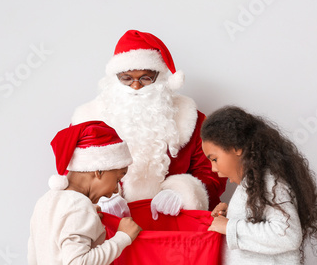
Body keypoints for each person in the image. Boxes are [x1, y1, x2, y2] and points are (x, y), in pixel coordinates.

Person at [71, 29, 227, 219]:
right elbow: (72, 175)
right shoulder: (87, 119)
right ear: (115, 78)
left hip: (173, 227)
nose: (135, 86)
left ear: (160, 78)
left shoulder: (191, 118)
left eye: (146, 78)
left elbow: (213, 170)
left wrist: (183, 193)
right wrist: (98, 197)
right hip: (108, 228)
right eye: (126, 78)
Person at [202, 106, 317, 265]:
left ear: (236, 148)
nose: (214, 169)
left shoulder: (268, 182)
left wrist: (230, 227)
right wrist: (228, 217)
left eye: (214, 159)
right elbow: (257, 221)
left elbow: (287, 234)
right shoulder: (253, 183)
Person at [28, 121, 142, 265]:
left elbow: (34, 264)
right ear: (99, 170)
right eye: (118, 179)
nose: (116, 190)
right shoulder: (80, 206)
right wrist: (123, 238)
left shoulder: (44, 203)